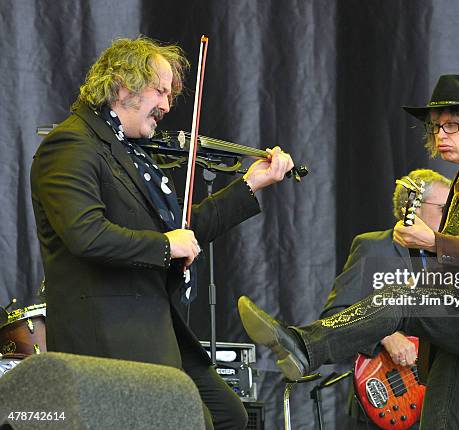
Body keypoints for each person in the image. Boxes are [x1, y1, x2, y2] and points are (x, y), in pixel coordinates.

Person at [238, 75, 459, 429]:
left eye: (451, 125)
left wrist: (431, 242)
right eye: (436, 128)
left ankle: (305, 346)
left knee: (399, 298)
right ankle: (303, 346)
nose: (440, 136)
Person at [30, 37, 294, 429]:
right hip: (112, 338)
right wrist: (166, 245)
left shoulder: (130, 152)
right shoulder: (70, 144)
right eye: (160, 91)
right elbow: (85, 234)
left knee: (230, 416)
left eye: (169, 94)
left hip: (156, 327)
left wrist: (249, 185)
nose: (168, 106)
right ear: (122, 86)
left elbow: (182, 233)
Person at [320, 169, 451, 428]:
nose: (449, 216)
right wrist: (385, 335)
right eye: (442, 208)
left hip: (439, 400)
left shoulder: (453, 259)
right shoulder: (373, 247)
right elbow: (336, 314)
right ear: (409, 208)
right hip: (387, 397)